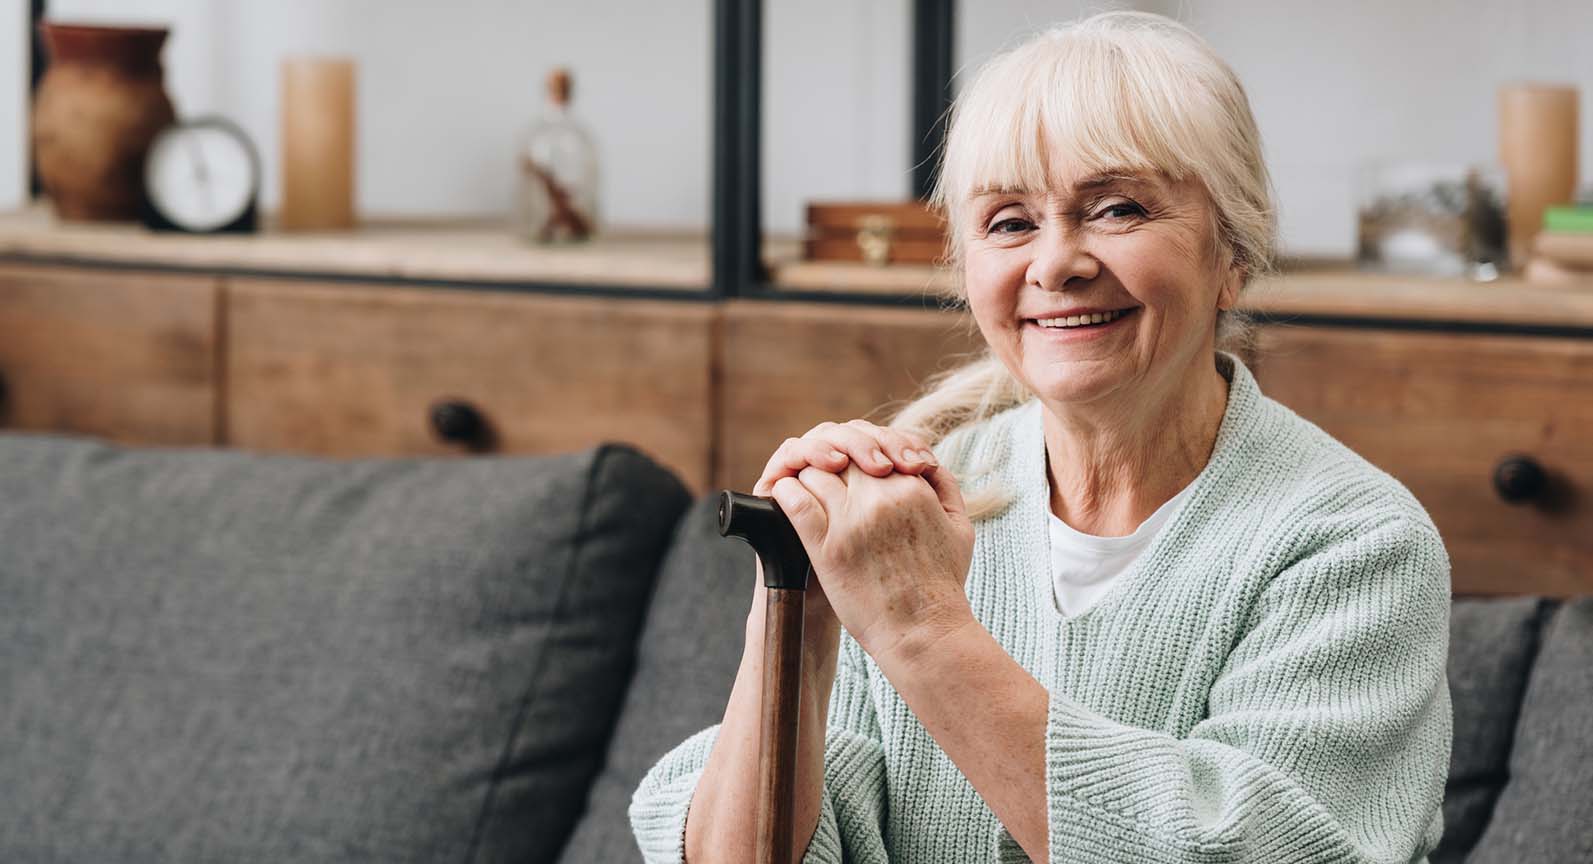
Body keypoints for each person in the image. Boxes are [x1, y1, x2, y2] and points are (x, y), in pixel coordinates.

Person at [631, 11, 1451, 863]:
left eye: (1118, 208)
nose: (1054, 262)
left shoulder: (1355, 542)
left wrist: (920, 626)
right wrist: (793, 612)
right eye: (1009, 222)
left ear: (1232, 252)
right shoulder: (906, 514)